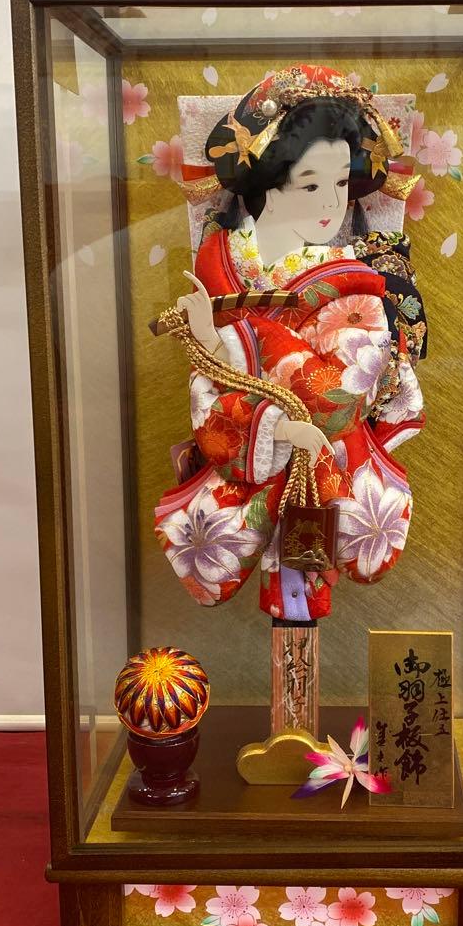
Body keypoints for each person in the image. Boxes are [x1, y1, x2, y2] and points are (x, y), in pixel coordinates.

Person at [154, 64, 428, 623]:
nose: (331, 203)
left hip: (330, 461)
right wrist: (272, 422)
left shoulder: (356, 275)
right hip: (252, 454)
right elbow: (207, 390)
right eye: (310, 184)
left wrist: (231, 341)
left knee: (309, 574)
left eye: (341, 183)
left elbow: (347, 388)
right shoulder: (219, 265)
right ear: (267, 183)